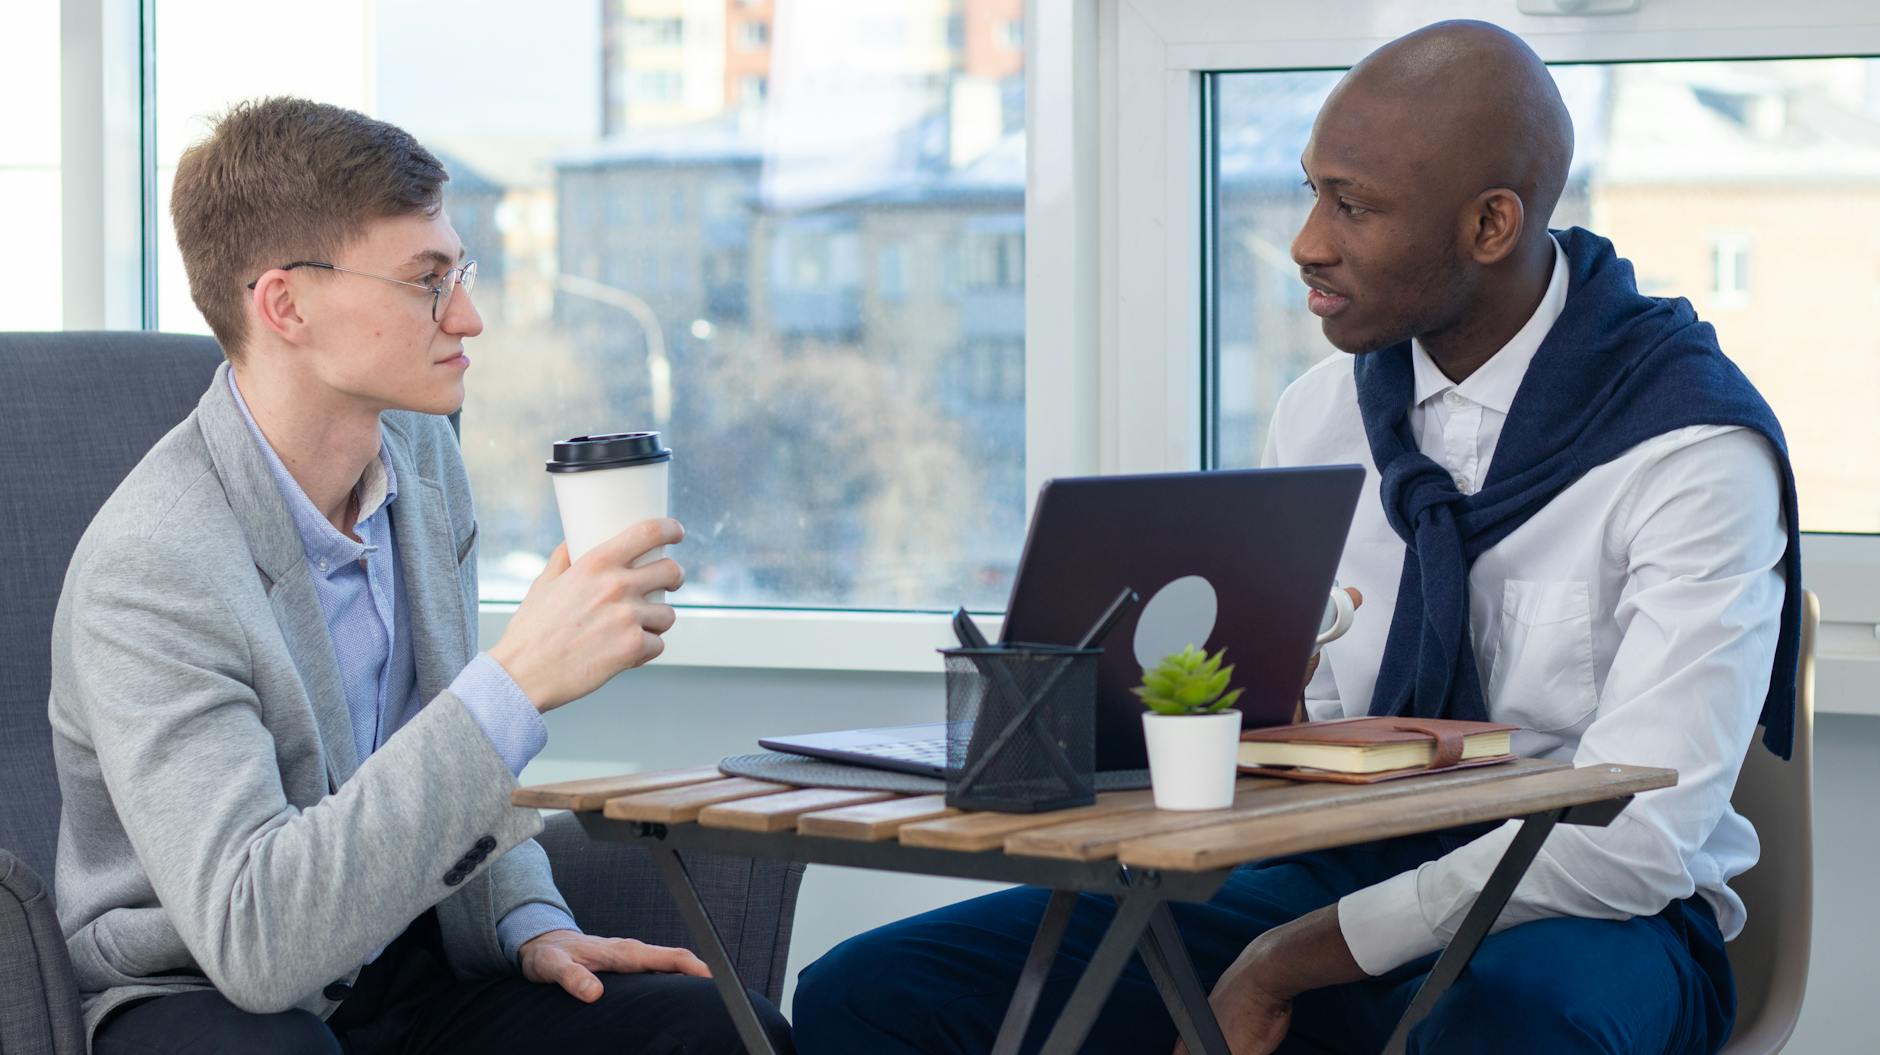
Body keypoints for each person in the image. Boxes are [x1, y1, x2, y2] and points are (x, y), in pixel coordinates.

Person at [792, 20, 1801, 1055]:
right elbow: (1301, 744)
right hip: (1331, 873)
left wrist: (1286, 957)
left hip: (1588, 919)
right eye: (1312, 190)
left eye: (1351, 206)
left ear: (1489, 225)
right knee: (874, 991)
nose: (1306, 241)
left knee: (1509, 1021)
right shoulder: (1322, 413)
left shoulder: (1684, 447)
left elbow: (1637, 841)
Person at [49, 97, 791, 1054]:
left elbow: (429, 758)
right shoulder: (153, 567)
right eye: (426, 281)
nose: (469, 316)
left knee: (720, 1032)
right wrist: (518, 680)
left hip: (405, 952)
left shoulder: (423, 458)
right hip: (207, 989)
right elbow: (256, 942)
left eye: (461, 272)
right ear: (285, 305)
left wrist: (531, 922)